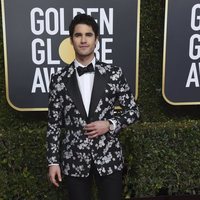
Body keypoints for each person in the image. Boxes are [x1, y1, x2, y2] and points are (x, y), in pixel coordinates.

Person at [46, 14, 139, 200]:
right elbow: (53, 124)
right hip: (74, 160)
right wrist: (53, 162)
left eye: (88, 35)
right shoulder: (58, 79)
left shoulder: (114, 73)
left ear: (96, 40)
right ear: (71, 40)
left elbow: (133, 111)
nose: (83, 40)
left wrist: (110, 124)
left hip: (109, 158)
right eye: (78, 35)